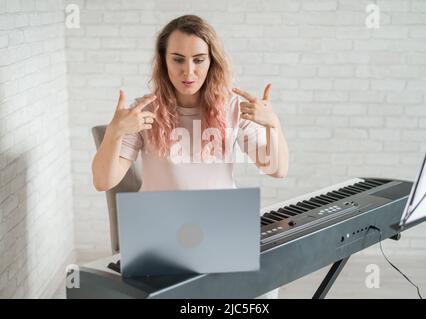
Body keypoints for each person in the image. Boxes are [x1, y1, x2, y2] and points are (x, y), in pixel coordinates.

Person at [91, 15, 289, 299]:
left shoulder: (233, 108)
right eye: (178, 59)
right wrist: (115, 131)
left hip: (222, 229)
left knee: (265, 291)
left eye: (198, 59)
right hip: (160, 238)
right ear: (163, 61)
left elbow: (277, 169)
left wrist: (274, 124)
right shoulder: (144, 110)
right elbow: (102, 180)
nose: (189, 71)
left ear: (211, 61)